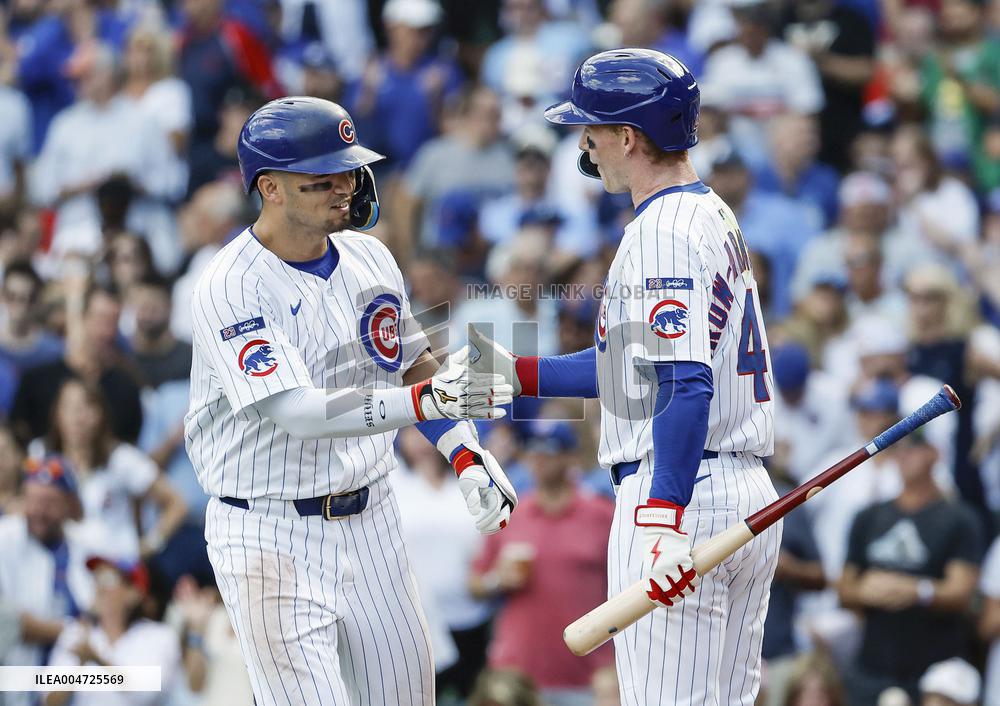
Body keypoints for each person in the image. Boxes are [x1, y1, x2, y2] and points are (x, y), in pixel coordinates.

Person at [472, 49, 782, 704]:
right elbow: (633, 368)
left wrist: (664, 517)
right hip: (731, 485)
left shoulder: (664, 230)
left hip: (681, 489)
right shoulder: (708, 213)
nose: (585, 143)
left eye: (593, 128)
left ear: (629, 137)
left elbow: (683, 381)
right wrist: (515, 374)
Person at [184, 96, 517, 705]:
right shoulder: (229, 284)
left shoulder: (369, 255)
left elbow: (412, 364)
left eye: (348, 168)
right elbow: (296, 411)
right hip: (268, 528)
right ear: (271, 187)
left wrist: (465, 454)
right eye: (323, 176)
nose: (345, 186)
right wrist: (421, 403)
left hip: (374, 517)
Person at [469, 420, 614, 706]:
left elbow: (627, 584)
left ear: (571, 457)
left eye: (550, 450)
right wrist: (497, 579)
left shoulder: (601, 514)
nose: (540, 458)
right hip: (516, 678)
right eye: (533, 450)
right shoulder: (511, 513)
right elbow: (475, 583)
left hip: (586, 673)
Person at [837, 431, 982, 703]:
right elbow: (844, 589)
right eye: (898, 448)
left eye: (914, 447)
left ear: (934, 453)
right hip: (873, 666)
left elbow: (962, 593)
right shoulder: (868, 516)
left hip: (934, 673)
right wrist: (866, 591)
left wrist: (918, 591)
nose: (904, 454)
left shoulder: (959, 519)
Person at [32, 378, 188, 563]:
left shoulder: (122, 458)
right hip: (61, 565)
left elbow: (177, 504)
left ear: (100, 414)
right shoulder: (41, 455)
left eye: (86, 407)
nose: (77, 417)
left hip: (115, 565)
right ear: (57, 414)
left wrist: (148, 545)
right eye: (69, 407)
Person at [0, 455, 92, 706]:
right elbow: (6, 621)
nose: (38, 511)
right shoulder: (5, 538)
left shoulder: (83, 547)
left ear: (69, 506)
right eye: (32, 500)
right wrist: (68, 631)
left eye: (49, 502)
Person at [45, 556, 182, 706]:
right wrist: (78, 666)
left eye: (108, 580)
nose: (99, 587)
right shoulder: (75, 633)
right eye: (96, 578)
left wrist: (99, 660)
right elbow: (50, 701)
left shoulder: (160, 636)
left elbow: (148, 693)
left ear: (134, 593)